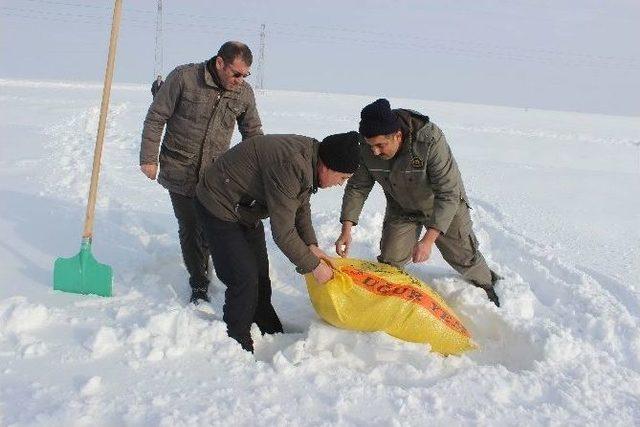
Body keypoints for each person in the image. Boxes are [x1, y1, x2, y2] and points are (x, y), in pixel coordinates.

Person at [194, 132, 361, 352]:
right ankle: (236, 341)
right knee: (243, 277)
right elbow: (283, 233)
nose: (341, 184)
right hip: (219, 203)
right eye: (342, 178)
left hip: (246, 209)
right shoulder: (291, 165)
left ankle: (267, 325)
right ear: (327, 166)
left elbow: (300, 206)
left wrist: (311, 245)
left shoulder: (309, 160)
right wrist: (313, 266)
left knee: (261, 275)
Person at [335, 99, 501, 306]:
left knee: (464, 257)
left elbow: (448, 192)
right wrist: (347, 228)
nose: (375, 152)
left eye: (380, 145)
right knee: (390, 261)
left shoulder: (429, 140)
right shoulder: (366, 147)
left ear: (397, 135)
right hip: (402, 207)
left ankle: (489, 287)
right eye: (371, 146)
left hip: (441, 206)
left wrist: (428, 240)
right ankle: (387, 303)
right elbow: (358, 187)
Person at [139, 41, 263, 304]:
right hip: (179, 167)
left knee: (211, 226)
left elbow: (252, 135)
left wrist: (260, 171)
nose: (240, 80)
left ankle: (205, 265)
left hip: (215, 174)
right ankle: (198, 282)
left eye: (245, 75)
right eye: (236, 73)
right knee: (191, 226)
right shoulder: (184, 77)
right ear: (220, 63)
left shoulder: (243, 94)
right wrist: (149, 158)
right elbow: (156, 116)